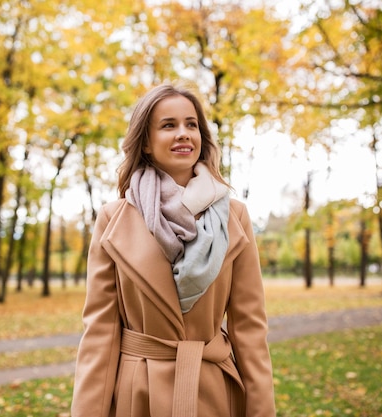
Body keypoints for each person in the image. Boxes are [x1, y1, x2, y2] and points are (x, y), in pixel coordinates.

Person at [71, 82, 276, 417]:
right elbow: (100, 334)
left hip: (212, 391)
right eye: (169, 125)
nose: (183, 134)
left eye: (191, 124)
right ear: (147, 143)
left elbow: (250, 331)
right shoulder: (114, 218)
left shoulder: (234, 216)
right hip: (139, 394)